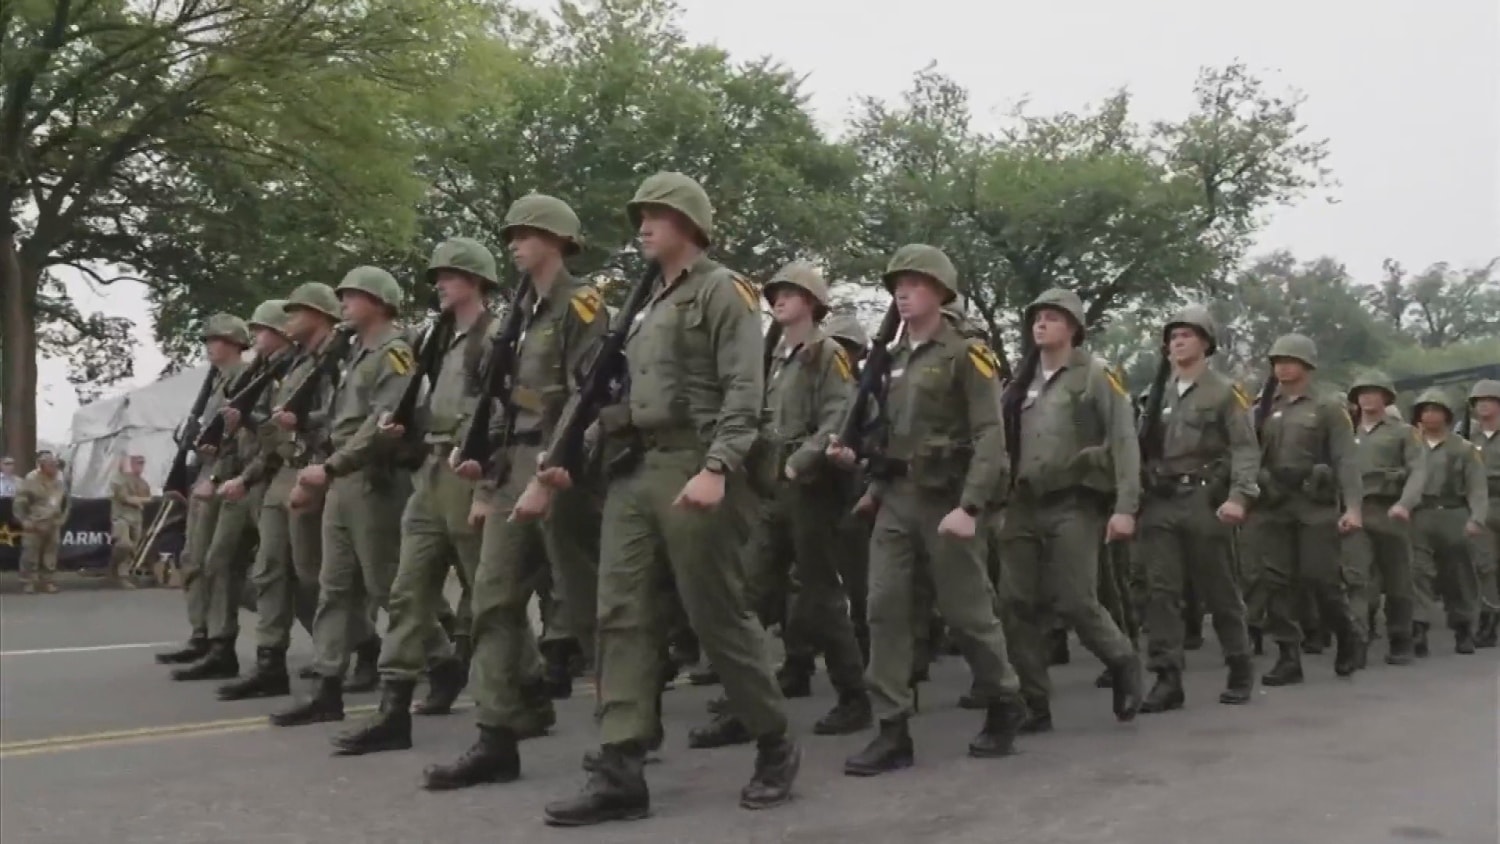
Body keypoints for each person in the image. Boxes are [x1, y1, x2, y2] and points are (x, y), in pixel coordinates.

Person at [525, 172, 799, 825]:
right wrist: (572, 453)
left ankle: (773, 740)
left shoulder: (724, 292)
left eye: (657, 215)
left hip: (698, 467)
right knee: (621, 615)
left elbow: (744, 391)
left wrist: (718, 465)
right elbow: (621, 397)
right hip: (636, 469)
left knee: (714, 615)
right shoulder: (645, 305)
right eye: (641, 215)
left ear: (689, 225)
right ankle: (621, 765)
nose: (643, 226)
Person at [420, 194, 607, 788]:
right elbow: (495, 401)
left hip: (563, 464)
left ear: (554, 239)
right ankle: (496, 737)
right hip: (512, 466)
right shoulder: (510, 319)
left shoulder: (583, 307)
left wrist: (552, 472)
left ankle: (627, 730)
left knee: (590, 613)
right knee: (494, 601)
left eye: (523, 233)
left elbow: (590, 398)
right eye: (511, 235)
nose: (513, 244)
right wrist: (485, 469)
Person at [826, 244, 1024, 775]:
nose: (902, 292)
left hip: (947, 502)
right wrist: (856, 458)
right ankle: (891, 727)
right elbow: (885, 433)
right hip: (895, 499)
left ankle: (1005, 700)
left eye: (914, 282)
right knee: (883, 606)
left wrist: (972, 505)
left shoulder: (966, 352)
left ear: (939, 290)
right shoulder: (886, 361)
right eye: (897, 284)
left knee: (967, 612)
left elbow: (989, 435)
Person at [329, 234, 511, 756]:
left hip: (469, 468)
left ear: (475, 281)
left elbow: (507, 409)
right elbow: (418, 406)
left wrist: (487, 472)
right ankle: (393, 712)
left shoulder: (495, 335)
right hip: (430, 472)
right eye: (437, 277)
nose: (439, 284)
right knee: (407, 592)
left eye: (448, 276)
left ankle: (524, 691)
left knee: (491, 595)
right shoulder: (434, 340)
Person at [706, 260, 870, 743]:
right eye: (775, 292)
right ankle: (749, 703)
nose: (778, 299)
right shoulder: (774, 356)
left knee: (819, 597)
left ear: (812, 303)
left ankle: (855, 696)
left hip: (809, 487)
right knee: (750, 592)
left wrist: (800, 460)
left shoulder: (828, 354)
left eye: (790, 293)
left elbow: (837, 420)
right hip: (770, 486)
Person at [270, 267, 416, 727]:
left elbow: (381, 423)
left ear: (379, 301)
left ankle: (439, 658)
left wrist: (331, 466)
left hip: (373, 480)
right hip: (341, 477)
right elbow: (340, 418)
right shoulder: (353, 354)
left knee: (386, 586)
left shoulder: (394, 354)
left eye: (353, 295)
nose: (345, 303)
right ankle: (328, 687)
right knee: (332, 587)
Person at [995, 288, 1145, 731]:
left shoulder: (1095, 375)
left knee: (1076, 599)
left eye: (1053, 318)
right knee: (1015, 603)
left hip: (1073, 501)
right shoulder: (1019, 382)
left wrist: (1125, 506)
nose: (1041, 324)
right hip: (1022, 503)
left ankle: (1122, 660)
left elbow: (1123, 440)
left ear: (1074, 328)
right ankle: (1034, 702)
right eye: (1037, 317)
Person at [1135, 306, 1259, 712]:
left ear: (1205, 343)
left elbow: (1244, 447)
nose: (1178, 342)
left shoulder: (1224, 391)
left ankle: (1240, 665)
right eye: (1173, 337)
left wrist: (1239, 497)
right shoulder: (1156, 392)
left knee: (1218, 588)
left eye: (1187, 335)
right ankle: (1167, 677)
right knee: (1161, 591)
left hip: (1204, 499)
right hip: (1161, 500)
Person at [175, 300, 296, 682]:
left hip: (262, 478)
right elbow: (234, 436)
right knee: (219, 562)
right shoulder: (244, 378)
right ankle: (220, 645)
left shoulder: (276, 375)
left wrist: (228, 474)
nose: (256, 336)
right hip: (239, 479)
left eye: (262, 330)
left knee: (292, 573)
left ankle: (356, 643)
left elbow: (276, 434)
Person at [1248, 334, 1363, 685]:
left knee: (1320, 578)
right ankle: (1288, 656)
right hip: (1275, 502)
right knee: (1276, 581)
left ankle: (1347, 634)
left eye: (1290, 360)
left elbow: (1346, 459)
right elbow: (1248, 453)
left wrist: (1353, 507)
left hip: (1314, 504)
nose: (1282, 366)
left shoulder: (1328, 407)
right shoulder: (1263, 407)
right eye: (1277, 360)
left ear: (1307, 366)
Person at [156, 314, 251, 666]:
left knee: (217, 563)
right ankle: (201, 633)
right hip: (203, 476)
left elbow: (245, 435)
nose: (212, 346)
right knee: (192, 560)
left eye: (219, 340)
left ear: (236, 344)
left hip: (224, 478)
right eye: (209, 340)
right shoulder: (214, 383)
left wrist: (215, 467)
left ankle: (220, 640)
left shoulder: (244, 378)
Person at [1345, 372, 1425, 664]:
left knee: (1398, 581)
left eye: (1374, 392)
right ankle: (1358, 641)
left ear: (1386, 397)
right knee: (1357, 579)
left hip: (1390, 511)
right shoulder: (1345, 431)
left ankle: (1400, 637)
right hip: (1356, 511)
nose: (1367, 397)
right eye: (1362, 392)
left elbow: (1418, 471)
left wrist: (1405, 503)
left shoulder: (1403, 432)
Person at [1408, 389, 1488, 655]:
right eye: (1424, 410)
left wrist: (1476, 518)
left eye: (1435, 410)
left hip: (1454, 513)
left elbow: (1477, 487)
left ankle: (1463, 628)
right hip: (1420, 513)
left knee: (1458, 575)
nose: (1429, 415)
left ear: (1446, 415)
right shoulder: (1411, 444)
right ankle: (1418, 627)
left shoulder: (1463, 448)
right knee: (1418, 572)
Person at [1466, 379, 1500, 648]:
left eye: (1490, 400)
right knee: (1484, 565)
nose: (1484, 405)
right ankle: (1489, 619)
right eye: (1478, 401)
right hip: (1481, 505)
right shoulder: (1469, 439)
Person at [15, 450, 69, 594]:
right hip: (35, 521)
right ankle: (28, 581)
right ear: (42, 466)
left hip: (53, 521)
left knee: (50, 553)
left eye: (56, 465)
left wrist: (62, 518)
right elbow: (20, 501)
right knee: (30, 552)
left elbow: (66, 501)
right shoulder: (31, 479)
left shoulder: (59, 479)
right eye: (51, 465)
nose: (54, 468)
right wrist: (24, 519)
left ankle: (47, 581)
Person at [108, 454, 152, 588]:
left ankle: (119, 573)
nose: (140, 466)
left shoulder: (143, 483)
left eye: (142, 463)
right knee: (124, 544)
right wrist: (139, 500)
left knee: (132, 549)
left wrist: (138, 500)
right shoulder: (120, 479)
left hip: (136, 518)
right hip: (121, 517)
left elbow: (149, 498)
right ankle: (118, 572)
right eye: (137, 463)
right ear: (131, 464)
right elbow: (124, 498)